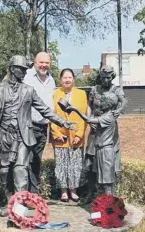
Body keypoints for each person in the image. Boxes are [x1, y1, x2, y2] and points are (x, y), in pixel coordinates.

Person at [0, 55, 76, 217]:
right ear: (13, 69)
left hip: (22, 136)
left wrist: (63, 122)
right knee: (5, 171)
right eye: (21, 69)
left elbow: (45, 109)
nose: (24, 72)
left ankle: (19, 207)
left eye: (26, 70)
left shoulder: (28, 90)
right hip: (4, 135)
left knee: (20, 170)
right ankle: (9, 202)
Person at [79, 65, 127, 204]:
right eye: (103, 77)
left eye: (108, 77)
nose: (105, 80)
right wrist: (89, 120)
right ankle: (89, 193)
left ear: (112, 77)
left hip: (108, 129)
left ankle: (109, 196)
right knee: (89, 163)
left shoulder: (116, 90)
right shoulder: (94, 89)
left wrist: (119, 110)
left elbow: (123, 102)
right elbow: (89, 105)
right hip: (94, 128)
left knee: (107, 163)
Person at [50, 68, 88, 202]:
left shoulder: (81, 94)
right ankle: (64, 192)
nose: (67, 80)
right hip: (61, 137)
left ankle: (73, 190)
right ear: (60, 80)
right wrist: (56, 133)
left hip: (76, 136)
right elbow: (51, 115)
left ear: (73, 80)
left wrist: (79, 134)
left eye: (70, 77)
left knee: (75, 164)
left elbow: (84, 116)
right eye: (64, 78)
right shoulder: (54, 94)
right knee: (61, 164)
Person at [23, 52, 56, 193]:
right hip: (28, 126)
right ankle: (21, 194)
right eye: (41, 62)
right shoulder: (26, 77)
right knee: (23, 161)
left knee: (36, 161)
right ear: (35, 62)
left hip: (43, 128)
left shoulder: (51, 80)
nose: (44, 65)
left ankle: (33, 194)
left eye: (47, 63)